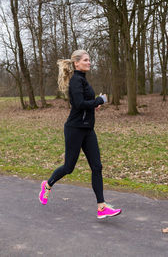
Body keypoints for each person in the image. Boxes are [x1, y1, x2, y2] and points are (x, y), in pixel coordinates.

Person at [39, 49, 122, 219]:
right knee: (69, 167)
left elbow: (86, 103)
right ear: (76, 63)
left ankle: (101, 207)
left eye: (89, 59)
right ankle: (47, 185)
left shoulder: (83, 80)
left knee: (97, 167)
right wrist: (98, 101)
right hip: (75, 129)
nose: (89, 62)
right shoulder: (76, 80)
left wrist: (95, 105)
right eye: (85, 60)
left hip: (88, 129)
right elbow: (78, 103)